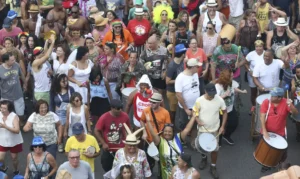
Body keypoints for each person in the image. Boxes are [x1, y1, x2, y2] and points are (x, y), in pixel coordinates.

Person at [145, 103, 197, 179]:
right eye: (165, 131)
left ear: (173, 132)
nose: (167, 133)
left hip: (181, 172)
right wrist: (149, 122)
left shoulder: (178, 138)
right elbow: (153, 134)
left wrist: (193, 117)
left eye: (170, 131)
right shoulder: (160, 141)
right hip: (166, 174)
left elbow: (187, 129)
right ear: (162, 132)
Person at [193, 83, 227, 179]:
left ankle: (213, 166)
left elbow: (224, 112)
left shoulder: (219, 100)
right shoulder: (199, 100)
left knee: (215, 150)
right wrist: (197, 120)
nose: (212, 96)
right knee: (202, 147)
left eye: (213, 94)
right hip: (202, 130)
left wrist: (222, 126)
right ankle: (204, 159)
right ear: (205, 91)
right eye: (210, 94)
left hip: (215, 130)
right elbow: (195, 111)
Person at [260, 87, 298, 172]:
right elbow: (262, 117)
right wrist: (264, 131)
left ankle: (281, 167)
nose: (271, 97)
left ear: (279, 98)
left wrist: (291, 105)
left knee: (282, 153)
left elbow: (295, 113)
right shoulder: (266, 102)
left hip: (280, 132)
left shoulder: (285, 103)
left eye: (273, 96)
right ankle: (266, 164)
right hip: (268, 131)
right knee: (267, 150)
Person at [94, 99, 130, 172]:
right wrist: (103, 143)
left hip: (121, 148)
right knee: (107, 167)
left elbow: (128, 130)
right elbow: (96, 130)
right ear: (112, 108)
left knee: (122, 170)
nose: (120, 110)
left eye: (121, 108)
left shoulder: (125, 116)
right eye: (117, 108)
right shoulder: (104, 117)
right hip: (109, 149)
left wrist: (128, 142)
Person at [215, 69, 247, 145]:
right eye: (231, 76)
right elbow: (215, 100)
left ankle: (226, 135)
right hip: (220, 111)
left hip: (230, 108)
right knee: (219, 127)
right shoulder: (218, 86)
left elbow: (234, 88)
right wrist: (225, 95)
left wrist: (242, 92)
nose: (233, 77)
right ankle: (218, 140)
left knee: (234, 123)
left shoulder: (231, 83)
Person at [140, 93, 171, 170]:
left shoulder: (165, 112)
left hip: (160, 141)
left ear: (159, 102)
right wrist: (144, 132)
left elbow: (168, 126)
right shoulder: (146, 110)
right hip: (149, 141)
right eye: (151, 102)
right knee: (148, 161)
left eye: (154, 102)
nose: (152, 104)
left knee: (161, 161)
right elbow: (142, 121)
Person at [175, 58, 200, 149]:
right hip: (184, 108)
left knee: (194, 125)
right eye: (197, 67)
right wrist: (186, 108)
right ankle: (182, 141)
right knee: (183, 124)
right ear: (192, 67)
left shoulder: (195, 74)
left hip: (196, 107)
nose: (198, 68)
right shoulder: (180, 78)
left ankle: (193, 142)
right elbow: (178, 95)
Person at [49, 74, 75, 152]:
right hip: (60, 112)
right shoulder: (54, 91)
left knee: (70, 128)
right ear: (58, 82)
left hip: (70, 111)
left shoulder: (71, 89)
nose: (65, 83)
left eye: (66, 81)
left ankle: (68, 143)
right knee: (61, 127)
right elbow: (51, 103)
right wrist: (51, 114)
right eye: (63, 81)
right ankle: (60, 143)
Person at [0, 53, 26, 124]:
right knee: (5, 112)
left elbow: (22, 75)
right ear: (6, 61)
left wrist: (25, 84)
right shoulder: (0, 69)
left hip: (18, 94)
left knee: (20, 113)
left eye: (14, 59)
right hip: (6, 96)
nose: (14, 61)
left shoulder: (16, 65)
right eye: (11, 60)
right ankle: (7, 124)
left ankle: (20, 123)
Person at [0, 100, 23, 175]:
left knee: (14, 158)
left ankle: (16, 170)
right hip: (2, 140)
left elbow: (17, 130)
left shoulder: (14, 116)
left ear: (9, 109)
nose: (2, 110)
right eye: (1, 108)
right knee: (0, 158)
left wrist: (5, 126)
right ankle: (3, 168)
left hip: (14, 141)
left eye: (4, 108)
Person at [31, 35, 55, 103]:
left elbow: (45, 53)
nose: (44, 54)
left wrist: (47, 42)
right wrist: (53, 42)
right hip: (41, 92)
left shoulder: (42, 61)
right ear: (37, 55)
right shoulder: (35, 63)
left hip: (46, 90)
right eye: (42, 53)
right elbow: (47, 55)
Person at [243, 40, 265, 113]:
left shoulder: (266, 54)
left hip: (263, 76)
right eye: (257, 46)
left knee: (263, 91)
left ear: (263, 47)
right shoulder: (250, 54)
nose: (258, 48)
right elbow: (245, 63)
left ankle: (263, 106)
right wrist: (249, 70)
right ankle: (254, 106)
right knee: (253, 92)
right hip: (252, 76)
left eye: (260, 46)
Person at [166, 44, 186, 123]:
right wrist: (179, 80)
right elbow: (167, 81)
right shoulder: (172, 66)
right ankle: (171, 125)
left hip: (179, 90)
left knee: (180, 108)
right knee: (173, 111)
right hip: (172, 92)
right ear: (182, 54)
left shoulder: (182, 62)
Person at [291, 65, 300, 141]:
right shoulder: (294, 78)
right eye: (297, 72)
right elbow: (293, 87)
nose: (299, 73)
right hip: (297, 100)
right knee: (298, 119)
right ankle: (298, 133)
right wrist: (293, 87)